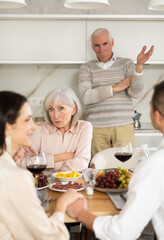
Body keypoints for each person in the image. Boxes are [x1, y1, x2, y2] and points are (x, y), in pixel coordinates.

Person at [66, 80, 164, 239]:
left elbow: (122, 232)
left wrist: (80, 213)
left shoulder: (155, 167)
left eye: (150, 106)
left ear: (157, 116)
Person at [0, 91, 83, 240]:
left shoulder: (6, 166)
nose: (34, 126)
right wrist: (61, 205)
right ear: (7, 128)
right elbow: (53, 237)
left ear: (73, 109)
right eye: (27, 120)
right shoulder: (16, 178)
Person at [78, 28, 154, 157]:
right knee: (100, 169)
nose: (101, 50)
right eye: (97, 45)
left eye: (105, 44)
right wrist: (114, 88)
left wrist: (139, 66)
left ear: (112, 43)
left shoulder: (126, 63)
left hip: (123, 126)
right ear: (92, 47)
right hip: (97, 129)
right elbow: (86, 97)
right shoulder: (86, 68)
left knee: (126, 168)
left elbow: (135, 93)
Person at [22, 87, 93, 172]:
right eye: (51, 109)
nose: (55, 116)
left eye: (61, 108)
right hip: (45, 183)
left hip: (73, 182)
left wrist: (41, 162)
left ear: (73, 109)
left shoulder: (84, 127)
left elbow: (82, 163)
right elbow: (23, 163)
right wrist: (62, 157)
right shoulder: (40, 129)